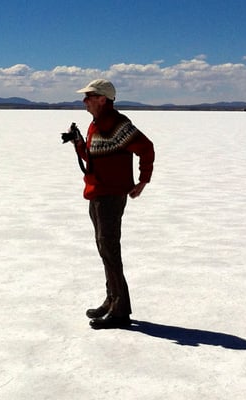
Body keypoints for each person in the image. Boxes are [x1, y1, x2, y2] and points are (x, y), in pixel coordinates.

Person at [72, 79, 154, 329]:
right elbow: (93, 158)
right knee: (105, 250)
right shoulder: (96, 125)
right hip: (97, 194)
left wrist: (143, 180)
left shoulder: (117, 124)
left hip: (110, 196)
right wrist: (78, 144)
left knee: (110, 251)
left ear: (102, 99)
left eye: (89, 96)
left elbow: (146, 148)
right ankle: (112, 300)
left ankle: (119, 312)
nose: (84, 101)